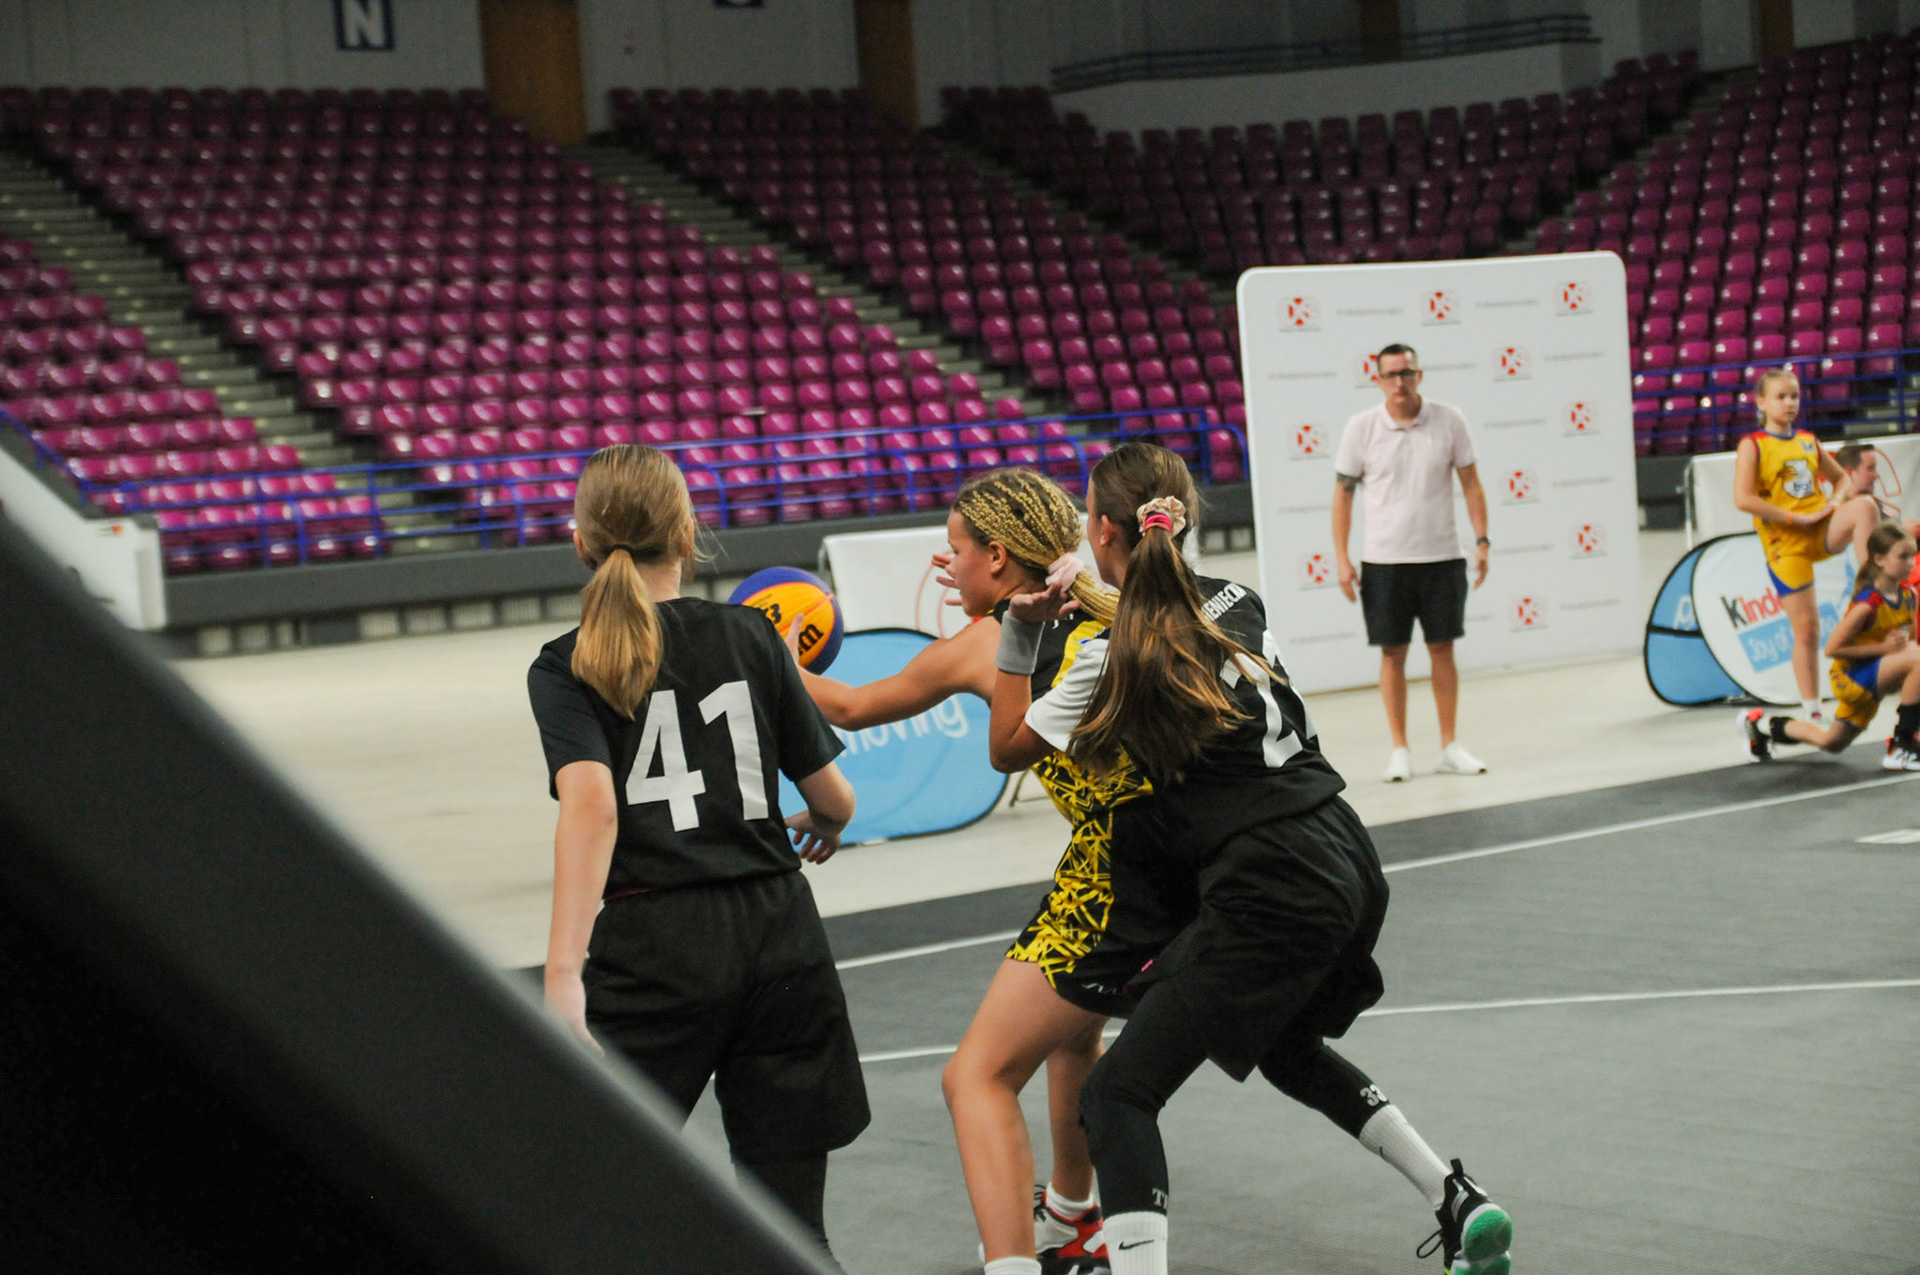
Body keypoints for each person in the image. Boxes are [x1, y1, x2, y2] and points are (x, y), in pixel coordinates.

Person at [989, 442, 1512, 1275]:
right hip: (1344, 847)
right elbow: (1166, 619)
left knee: (1117, 1095)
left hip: (1268, 878)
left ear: (1102, 529)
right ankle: (1454, 1195)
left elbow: (1008, 748)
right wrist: (1088, 585)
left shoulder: (1106, 654)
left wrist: (1020, 630)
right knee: (1284, 1044)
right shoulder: (1239, 599)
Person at [791, 467, 1184, 1275]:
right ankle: (1071, 1214)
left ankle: (1013, 1265)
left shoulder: (984, 645)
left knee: (975, 1077)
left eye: (956, 549)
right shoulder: (1121, 608)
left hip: (1113, 878)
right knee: (1075, 1031)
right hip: (1190, 861)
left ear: (999, 557)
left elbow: (851, 706)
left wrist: (765, 654)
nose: (946, 563)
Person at [528, 445, 869, 1257]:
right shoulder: (752, 634)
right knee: (793, 1228)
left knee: (589, 1204)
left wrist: (563, 970)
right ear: (688, 534)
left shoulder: (566, 664)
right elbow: (836, 799)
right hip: (779, 933)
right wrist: (824, 825)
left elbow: (592, 805)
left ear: (581, 542)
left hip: (657, 946)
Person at [1331, 342, 1491, 783]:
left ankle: (1450, 746)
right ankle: (1400, 749)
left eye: (1406, 373)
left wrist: (1482, 541)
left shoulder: (1450, 420)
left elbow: (1472, 484)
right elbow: (1343, 497)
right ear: (1377, 379)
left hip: (1442, 556)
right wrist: (1342, 558)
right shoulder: (1361, 428)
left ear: (1419, 375)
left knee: (1443, 649)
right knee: (1392, 653)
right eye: (1390, 375)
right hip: (1384, 562)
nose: (1399, 382)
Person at [1731, 367, 1882, 722]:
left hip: (1820, 527)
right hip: (1786, 542)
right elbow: (1743, 498)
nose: (1789, 403)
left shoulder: (1808, 440)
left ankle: (1870, 591)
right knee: (1808, 630)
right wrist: (1792, 518)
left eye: (1794, 396)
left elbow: (1842, 479)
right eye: (1781, 397)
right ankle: (1813, 711)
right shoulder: (1753, 445)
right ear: (1761, 402)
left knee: (1865, 506)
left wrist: (1834, 503)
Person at [1743, 519, 1920, 770]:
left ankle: (1761, 726)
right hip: (1851, 677)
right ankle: (1902, 745)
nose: (1911, 563)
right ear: (1879, 560)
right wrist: (1884, 649)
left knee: (1831, 742)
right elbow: (1832, 649)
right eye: (1903, 556)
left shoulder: (1910, 596)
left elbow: (1909, 647)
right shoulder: (1867, 603)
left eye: (1912, 555)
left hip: (1877, 672)